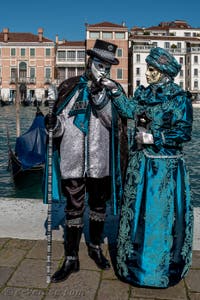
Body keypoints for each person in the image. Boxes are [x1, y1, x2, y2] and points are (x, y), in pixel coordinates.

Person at [100, 47, 193, 288]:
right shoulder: (143, 95)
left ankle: (156, 271)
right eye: (148, 69)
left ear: (163, 72)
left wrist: (154, 138)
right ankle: (132, 266)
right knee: (137, 215)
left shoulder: (179, 99)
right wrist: (115, 90)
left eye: (152, 70)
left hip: (165, 169)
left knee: (158, 218)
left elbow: (184, 132)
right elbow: (129, 110)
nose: (147, 73)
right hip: (140, 166)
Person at [44, 39, 126, 283]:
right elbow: (60, 127)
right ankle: (71, 257)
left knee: (99, 205)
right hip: (73, 160)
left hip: (100, 161)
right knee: (73, 207)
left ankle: (95, 247)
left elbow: (115, 124)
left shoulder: (113, 90)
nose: (104, 70)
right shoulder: (68, 86)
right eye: (100, 64)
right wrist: (53, 126)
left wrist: (101, 97)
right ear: (90, 62)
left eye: (108, 66)